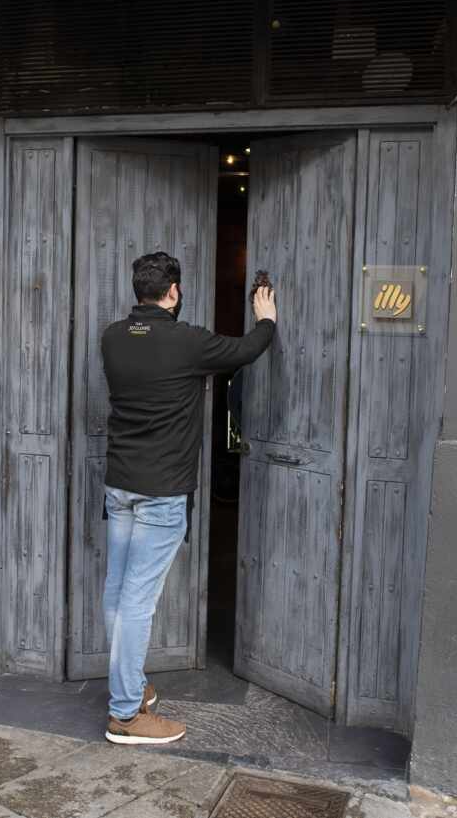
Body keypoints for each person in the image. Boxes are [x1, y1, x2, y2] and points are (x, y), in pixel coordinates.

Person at [98, 251, 278, 745]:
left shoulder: (112, 337)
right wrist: (266, 320)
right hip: (161, 495)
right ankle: (127, 715)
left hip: (121, 487)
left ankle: (129, 688)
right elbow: (244, 352)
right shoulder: (187, 341)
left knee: (117, 592)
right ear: (173, 292)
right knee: (137, 602)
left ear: (138, 290)